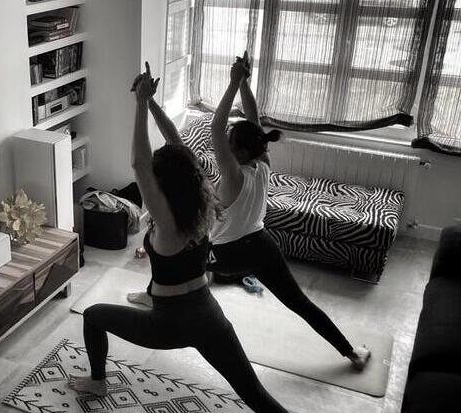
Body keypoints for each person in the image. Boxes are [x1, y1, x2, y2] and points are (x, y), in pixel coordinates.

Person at [69, 63, 340, 413]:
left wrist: (140, 104)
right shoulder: (205, 204)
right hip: (210, 315)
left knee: (93, 315)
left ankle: (98, 382)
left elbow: (141, 164)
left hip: (169, 321)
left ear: (161, 186)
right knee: (255, 395)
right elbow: (176, 148)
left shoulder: (169, 222)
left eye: (153, 182)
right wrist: (152, 103)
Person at [129, 53, 370, 371]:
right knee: (299, 301)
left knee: (168, 252)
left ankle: (156, 296)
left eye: (228, 143)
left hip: (224, 255)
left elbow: (215, 125)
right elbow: (246, 123)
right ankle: (352, 352)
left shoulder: (232, 175)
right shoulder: (262, 163)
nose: (223, 144)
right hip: (262, 245)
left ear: (237, 152)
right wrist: (243, 82)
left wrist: (231, 84)